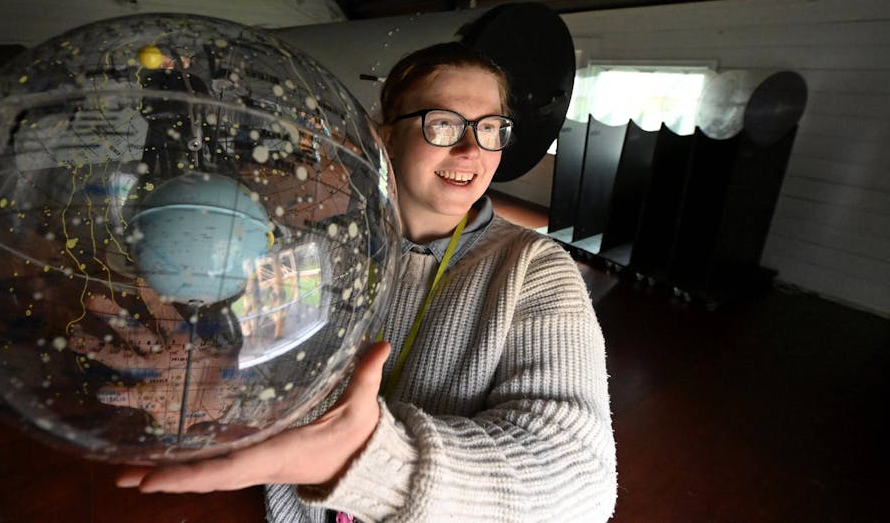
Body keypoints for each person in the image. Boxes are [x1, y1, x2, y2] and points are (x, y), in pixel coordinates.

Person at [116, 42, 617, 522]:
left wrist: (367, 460)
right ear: (386, 137)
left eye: (490, 127)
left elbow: (582, 487)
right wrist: (230, 390)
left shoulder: (535, 268)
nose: (471, 149)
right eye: (443, 123)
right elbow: (276, 381)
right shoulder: (305, 249)